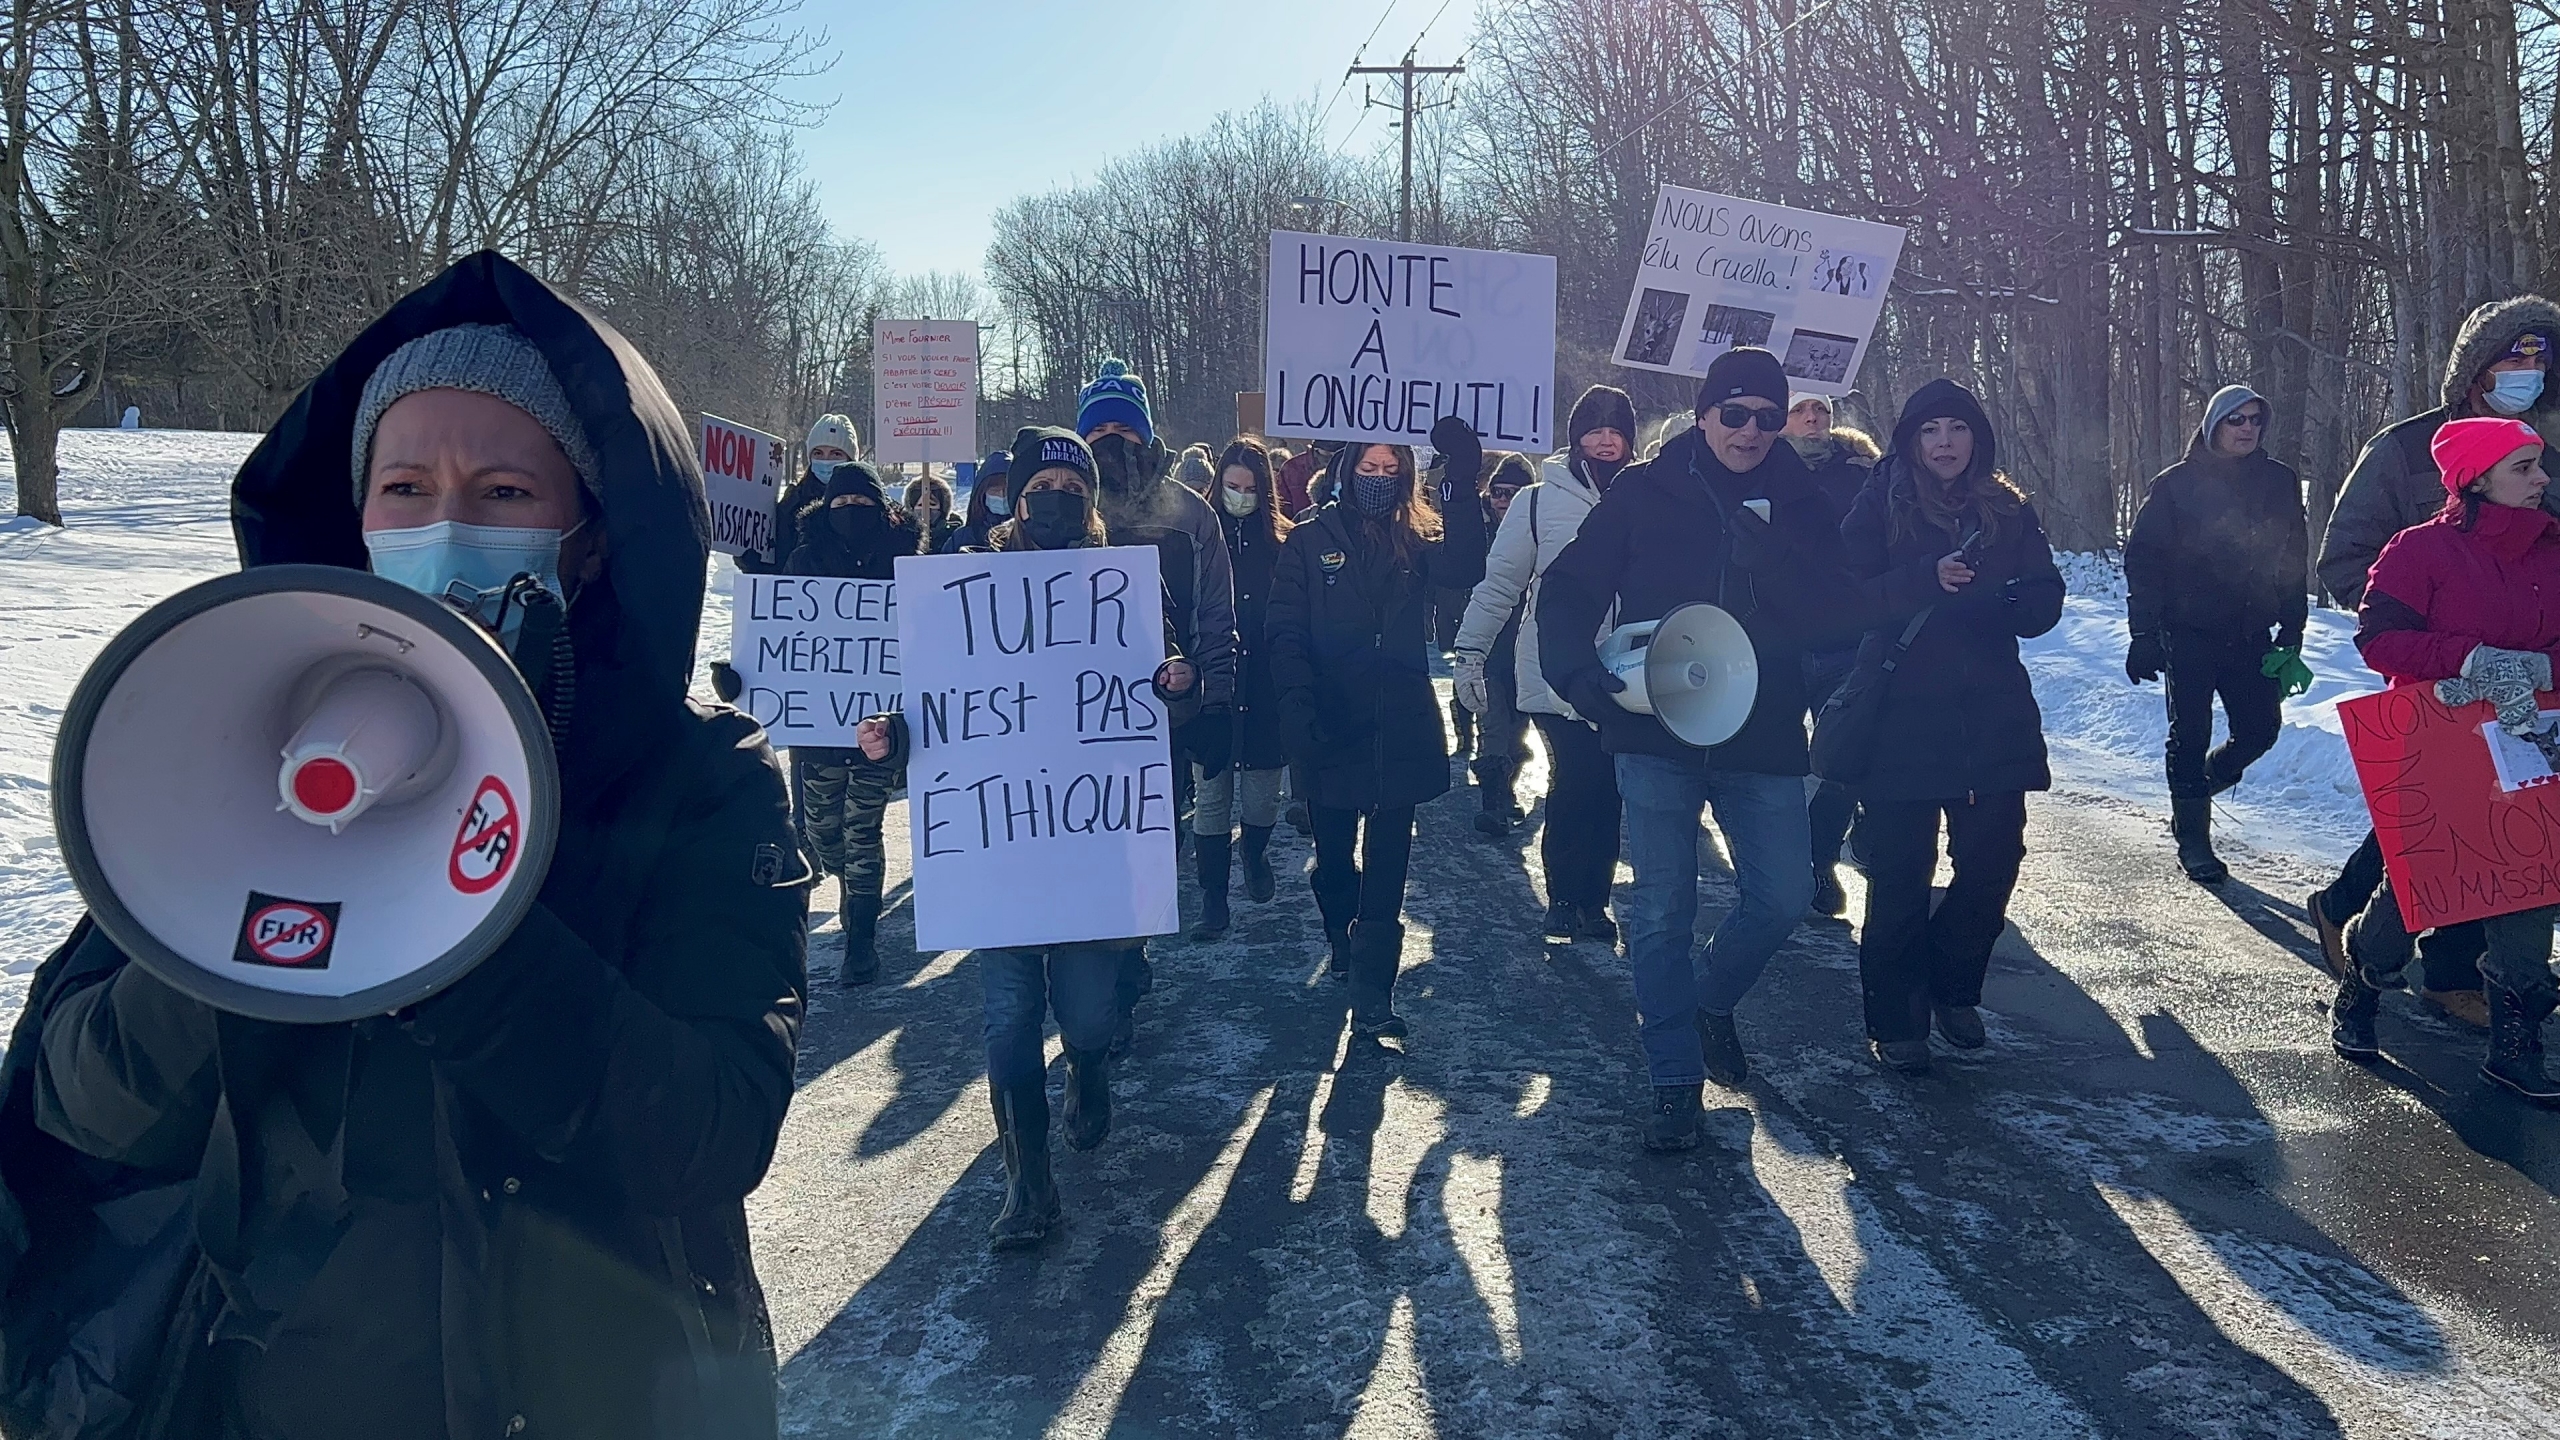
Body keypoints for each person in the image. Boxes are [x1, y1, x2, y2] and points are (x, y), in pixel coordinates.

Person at [2, 253, 805, 1437]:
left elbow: (707, 1133)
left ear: (586, 536)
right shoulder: (233, 734)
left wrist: (448, 925)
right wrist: (234, 920)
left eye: (503, 493)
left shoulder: (701, 782)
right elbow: (84, 1111)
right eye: (406, 486)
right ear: (357, 514)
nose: (445, 525)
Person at [854, 426, 1202, 1246]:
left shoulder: (1124, 588)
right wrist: (892, 739)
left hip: (1088, 856)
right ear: (1015, 494)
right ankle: (1028, 1186)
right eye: (1041, 485)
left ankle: (1085, 1071)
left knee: (1086, 1017)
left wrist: (1176, 684)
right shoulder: (963, 589)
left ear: (1089, 502)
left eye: (1072, 490)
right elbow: (930, 705)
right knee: (1007, 1025)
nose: (1056, 499)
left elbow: (1164, 694)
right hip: (997, 857)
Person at [1537, 347, 1859, 1151]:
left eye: (1767, 416)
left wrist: (1776, 562)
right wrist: (1576, 675)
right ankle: (1674, 1075)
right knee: (1663, 906)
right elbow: (1572, 586)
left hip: (1764, 729)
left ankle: (1710, 1000)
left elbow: (1836, 612)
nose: (1751, 431)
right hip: (1656, 729)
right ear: (1706, 415)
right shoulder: (1646, 492)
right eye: (1735, 413)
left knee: (1783, 896)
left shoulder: (1805, 499)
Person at [2306, 296, 2560, 1024]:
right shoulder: (2402, 449)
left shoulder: (2543, 456)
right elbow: (2348, 557)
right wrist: (2431, 635)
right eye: (2515, 357)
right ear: (2477, 368)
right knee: (2438, 824)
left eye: (2541, 360)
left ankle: (2405, 945)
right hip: (2430, 675)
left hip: (2522, 687)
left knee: (2485, 824)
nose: (2529, 373)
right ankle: (2423, 968)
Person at [1836, 380, 2064, 1076]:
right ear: (1910, 440)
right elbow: (1845, 600)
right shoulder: (1877, 505)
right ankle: (1897, 1020)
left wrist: (2023, 601)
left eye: (1957, 430)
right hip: (1903, 713)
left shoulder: (2007, 508)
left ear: (1976, 439)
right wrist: (1924, 578)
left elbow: (2047, 592)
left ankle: (1953, 984)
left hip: (1990, 715)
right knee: (1901, 873)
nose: (1944, 444)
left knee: (1993, 865)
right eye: (1930, 431)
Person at [2332, 417, 2560, 1105]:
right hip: (2440, 744)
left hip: (2530, 739)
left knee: (2531, 882)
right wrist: (2466, 660)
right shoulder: (2419, 550)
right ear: (2476, 478)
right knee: (2423, 888)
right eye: (2524, 468)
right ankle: (2364, 980)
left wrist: (2536, 672)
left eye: (2540, 465)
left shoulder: (2555, 550)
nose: (2542, 479)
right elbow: (2380, 641)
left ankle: (2514, 1049)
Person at [1267, 420, 1489, 1045]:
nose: (1380, 480)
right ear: (1345, 471)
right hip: (1330, 724)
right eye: (1370, 468)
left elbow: (1464, 567)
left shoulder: (1415, 540)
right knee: (1335, 862)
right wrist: (1296, 709)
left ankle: (1374, 995)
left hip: (1399, 725)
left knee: (1389, 868)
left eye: (1393, 470)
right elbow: (1284, 631)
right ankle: (1343, 936)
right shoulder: (1309, 541)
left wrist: (1464, 482)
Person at [1076, 360, 1238, 1052]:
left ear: (1146, 435)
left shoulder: (1189, 514)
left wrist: (1215, 699)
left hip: (1158, 721)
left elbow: (1214, 613)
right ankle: (1096, 977)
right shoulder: (1061, 507)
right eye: (1100, 428)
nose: (1113, 439)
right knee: (1082, 852)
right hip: (1071, 722)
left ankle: (1129, 955)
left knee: (1147, 851)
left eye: (1124, 427)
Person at [1456, 385, 1638, 940]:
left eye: (1616, 430)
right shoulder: (1537, 501)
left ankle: (1593, 901)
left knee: (1608, 787)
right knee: (1576, 777)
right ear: (1575, 436)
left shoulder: (1649, 493)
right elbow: (1501, 584)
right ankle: (1564, 895)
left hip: (1630, 669)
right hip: (1555, 667)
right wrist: (1470, 653)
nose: (1606, 441)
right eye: (1594, 429)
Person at [2123, 385, 2310, 883]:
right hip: (2187, 631)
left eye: (2254, 420)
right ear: (2212, 426)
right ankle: (2194, 840)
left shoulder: (2279, 481)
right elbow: (2143, 559)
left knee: (2260, 728)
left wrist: (2294, 625)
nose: (2247, 428)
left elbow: (2294, 552)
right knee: (2190, 733)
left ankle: (2204, 783)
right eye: (2236, 420)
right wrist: (2143, 633)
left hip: (2251, 630)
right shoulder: (2175, 486)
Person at [784, 460, 922, 985]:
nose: (851, 512)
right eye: (841, 504)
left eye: (863, 504)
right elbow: (785, 638)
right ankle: (849, 891)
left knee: (862, 831)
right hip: (819, 734)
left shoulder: (907, 561)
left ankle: (859, 941)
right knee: (823, 836)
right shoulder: (804, 560)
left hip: (879, 732)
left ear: (882, 510)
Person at [1189, 437, 1295, 938]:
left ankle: (1254, 854)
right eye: (1232, 486)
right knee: (1211, 799)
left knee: (1261, 798)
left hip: (1267, 692)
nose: (1240, 496)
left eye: (1250, 488)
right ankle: (1213, 897)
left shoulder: (1284, 544)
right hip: (1212, 690)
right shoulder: (1197, 542)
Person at [1788, 394, 1882, 916]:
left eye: (1820, 412)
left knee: (1841, 758)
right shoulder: (1760, 468)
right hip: (1777, 638)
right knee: (1774, 764)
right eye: (1801, 411)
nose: (1813, 420)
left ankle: (1819, 860)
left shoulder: (1862, 473)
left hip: (1845, 637)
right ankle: (1772, 863)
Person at [1453, 454, 1536, 837]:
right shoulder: (1478, 535)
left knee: (1518, 731)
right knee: (1494, 726)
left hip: (1530, 650)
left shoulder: (1542, 532)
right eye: (1498, 493)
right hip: (1489, 648)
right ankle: (1493, 806)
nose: (1504, 501)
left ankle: (1504, 794)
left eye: (1514, 494)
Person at [743, 412, 859, 575]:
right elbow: (776, 562)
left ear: (850, 459)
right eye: (818, 453)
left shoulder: (866, 502)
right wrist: (752, 562)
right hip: (795, 597)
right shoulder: (792, 502)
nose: (826, 460)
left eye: (836, 453)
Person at [941, 447, 1011, 553]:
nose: (1001, 494)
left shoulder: (1029, 536)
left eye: (1007, 489)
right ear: (981, 493)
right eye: (995, 489)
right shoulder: (961, 538)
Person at [904, 468, 961, 552]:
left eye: (932, 505)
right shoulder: (904, 536)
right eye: (920, 505)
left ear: (943, 508)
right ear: (911, 508)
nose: (926, 510)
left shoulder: (955, 536)